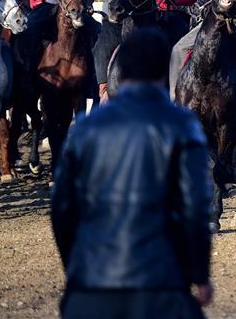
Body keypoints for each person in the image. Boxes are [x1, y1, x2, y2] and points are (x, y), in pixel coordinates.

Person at [52, 28, 213, 318]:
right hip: (159, 282)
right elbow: (195, 207)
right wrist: (200, 274)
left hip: (91, 283)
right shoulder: (182, 124)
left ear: (119, 71)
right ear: (164, 72)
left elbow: (62, 209)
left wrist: (74, 269)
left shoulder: (86, 128)